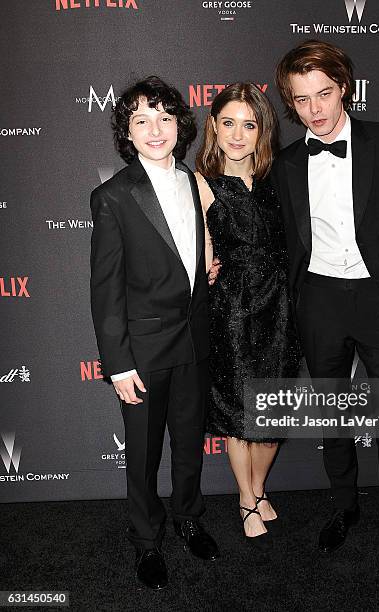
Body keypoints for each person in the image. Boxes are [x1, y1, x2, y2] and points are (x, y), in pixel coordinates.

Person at [271, 40, 379, 588]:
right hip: (319, 299)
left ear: (345, 88)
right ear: (290, 104)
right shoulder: (288, 163)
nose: (315, 109)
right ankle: (344, 506)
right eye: (302, 100)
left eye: (324, 94)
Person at [90, 76, 219, 591]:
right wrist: (118, 364)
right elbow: (105, 290)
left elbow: (195, 250)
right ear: (127, 131)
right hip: (142, 353)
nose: (155, 128)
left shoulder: (193, 180)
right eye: (141, 120)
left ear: (180, 125)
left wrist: (209, 265)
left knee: (189, 445)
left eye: (165, 117)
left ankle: (189, 519)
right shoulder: (113, 197)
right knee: (142, 454)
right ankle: (147, 542)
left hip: (194, 343)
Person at [195, 83, 300, 548]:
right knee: (241, 411)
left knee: (272, 412)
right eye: (229, 123)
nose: (238, 134)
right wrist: (207, 267)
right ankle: (247, 497)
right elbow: (195, 250)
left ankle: (257, 489)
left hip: (279, 305)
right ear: (214, 128)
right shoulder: (200, 183)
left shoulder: (280, 178)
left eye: (249, 124)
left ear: (262, 131)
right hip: (233, 309)